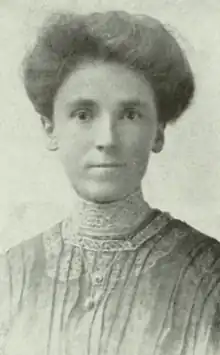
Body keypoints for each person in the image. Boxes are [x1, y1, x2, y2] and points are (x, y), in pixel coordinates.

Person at [0, 10, 219, 355]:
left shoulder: (209, 276)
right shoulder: (12, 274)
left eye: (130, 115)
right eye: (83, 114)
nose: (107, 139)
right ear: (50, 128)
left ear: (158, 132)